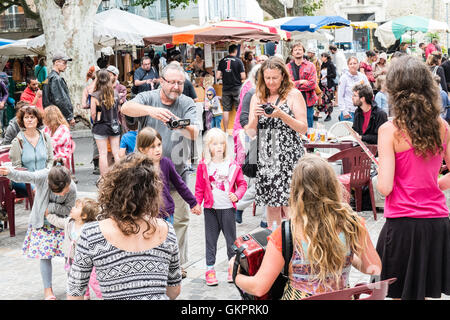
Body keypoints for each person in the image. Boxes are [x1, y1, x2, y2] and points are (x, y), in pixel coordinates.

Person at [233, 154, 381, 299]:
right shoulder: (353, 224)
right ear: (333, 185)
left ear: (296, 190)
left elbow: (259, 287)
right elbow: (373, 267)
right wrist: (345, 255)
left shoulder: (286, 233)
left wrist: (235, 275)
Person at [377, 55, 450, 300]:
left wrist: (380, 168)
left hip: (403, 225)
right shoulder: (442, 126)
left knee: (396, 295)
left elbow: (385, 187)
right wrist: (436, 184)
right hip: (436, 224)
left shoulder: (389, 130)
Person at [67, 153, 181, 300]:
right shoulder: (166, 231)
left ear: (112, 189)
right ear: (152, 193)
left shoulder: (91, 234)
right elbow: (174, 290)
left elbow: (75, 293)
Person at [121, 63, 199, 278]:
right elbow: (125, 108)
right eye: (172, 82)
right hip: (145, 177)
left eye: (180, 83)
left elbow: (195, 132)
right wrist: (151, 111)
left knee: (179, 221)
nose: (176, 87)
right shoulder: (148, 97)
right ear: (161, 81)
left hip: (178, 171)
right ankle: (148, 261)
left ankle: (177, 264)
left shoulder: (186, 102)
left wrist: (180, 125)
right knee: (145, 219)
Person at [0, 158, 77, 300]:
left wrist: (50, 209)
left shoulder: (71, 187)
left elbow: (68, 209)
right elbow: (27, 176)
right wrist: (9, 172)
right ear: (49, 183)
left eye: (64, 192)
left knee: (70, 256)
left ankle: (74, 288)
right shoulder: (44, 177)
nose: (62, 195)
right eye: (59, 193)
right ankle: (48, 290)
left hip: (61, 223)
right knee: (45, 255)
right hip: (42, 224)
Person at [246, 56, 308, 228]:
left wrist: (281, 114)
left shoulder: (293, 94)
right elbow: (250, 132)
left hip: (290, 155)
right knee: (272, 207)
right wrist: (256, 117)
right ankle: (276, 245)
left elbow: (303, 128)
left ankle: (296, 246)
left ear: (283, 76)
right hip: (268, 155)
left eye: (275, 78)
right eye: (267, 78)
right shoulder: (257, 97)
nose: (271, 82)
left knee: (291, 206)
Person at [195, 128, 247, 285]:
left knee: (231, 241)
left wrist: (237, 195)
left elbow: (242, 184)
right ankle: (210, 269)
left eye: (221, 144)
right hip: (210, 210)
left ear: (226, 146)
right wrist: (197, 203)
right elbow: (199, 188)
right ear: (208, 147)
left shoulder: (232, 165)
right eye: (214, 144)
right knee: (210, 240)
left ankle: (233, 267)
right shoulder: (204, 165)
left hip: (228, 210)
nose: (218, 147)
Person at [136, 126, 200, 224]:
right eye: (152, 147)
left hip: (167, 213)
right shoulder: (138, 168)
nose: (158, 149)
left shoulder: (166, 163)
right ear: (142, 149)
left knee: (168, 239)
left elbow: (180, 184)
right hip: (148, 216)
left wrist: (193, 202)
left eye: (159, 145)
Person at [45, 197, 101, 300]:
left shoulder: (90, 227)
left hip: (87, 259)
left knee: (93, 279)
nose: (72, 208)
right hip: (70, 258)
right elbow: (58, 221)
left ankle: (103, 295)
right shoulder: (69, 222)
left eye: (76, 207)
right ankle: (85, 295)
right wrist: (48, 215)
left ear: (84, 215)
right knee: (75, 279)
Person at [10, 105, 54, 197]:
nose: (29, 120)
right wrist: (32, 179)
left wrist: (46, 173)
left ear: (37, 120)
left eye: (32, 117)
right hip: (24, 180)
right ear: (22, 121)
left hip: (44, 177)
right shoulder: (17, 142)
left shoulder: (46, 138)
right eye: (26, 117)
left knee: (62, 187)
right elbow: (17, 169)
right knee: (39, 190)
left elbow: (50, 160)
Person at [90, 69, 121, 176]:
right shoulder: (115, 93)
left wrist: (96, 120)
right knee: (116, 153)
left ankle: (104, 178)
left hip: (101, 126)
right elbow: (118, 110)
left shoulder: (95, 95)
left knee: (102, 154)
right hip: (114, 124)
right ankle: (120, 176)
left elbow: (93, 114)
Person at [286, 42, 318, 128]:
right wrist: (301, 82)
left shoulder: (311, 66)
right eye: (295, 50)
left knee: (308, 127)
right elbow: (287, 85)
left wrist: (294, 84)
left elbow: (312, 84)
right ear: (292, 53)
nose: (297, 51)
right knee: (293, 127)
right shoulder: (287, 67)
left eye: (300, 49)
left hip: (308, 101)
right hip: (292, 102)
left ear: (303, 52)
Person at [217, 44, 246, 133]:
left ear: (228, 51)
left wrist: (224, 76)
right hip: (237, 88)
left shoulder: (222, 61)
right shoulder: (238, 61)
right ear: (235, 51)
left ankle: (225, 131)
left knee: (226, 110)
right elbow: (243, 76)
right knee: (239, 109)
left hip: (225, 88)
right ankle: (238, 129)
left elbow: (217, 76)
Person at [43, 53, 75, 126]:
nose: (66, 66)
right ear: (56, 62)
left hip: (50, 115)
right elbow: (60, 99)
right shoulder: (56, 79)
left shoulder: (48, 78)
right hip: (58, 116)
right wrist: (69, 116)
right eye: (64, 63)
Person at [337, 56, 370, 122]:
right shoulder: (344, 78)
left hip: (362, 110)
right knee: (348, 132)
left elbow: (369, 91)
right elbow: (340, 95)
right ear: (348, 65)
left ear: (358, 64)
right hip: (349, 112)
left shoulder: (362, 77)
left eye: (354, 63)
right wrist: (344, 110)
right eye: (350, 64)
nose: (353, 65)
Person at [43, 105, 75, 172]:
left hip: (61, 157)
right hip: (51, 156)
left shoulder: (63, 129)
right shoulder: (48, 128)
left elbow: (50, 145)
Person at [318, 52, 336, 122]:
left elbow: (334, 75)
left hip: (329, 85)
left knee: (329, 100)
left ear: (326, 57)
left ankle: (329, 115)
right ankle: (319, 113)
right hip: (323, 85)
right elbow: (321, 75)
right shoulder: (323, 65)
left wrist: (326, 76)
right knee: (323, 100)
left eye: (322, 56)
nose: (321, 58)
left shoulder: (331, 65)